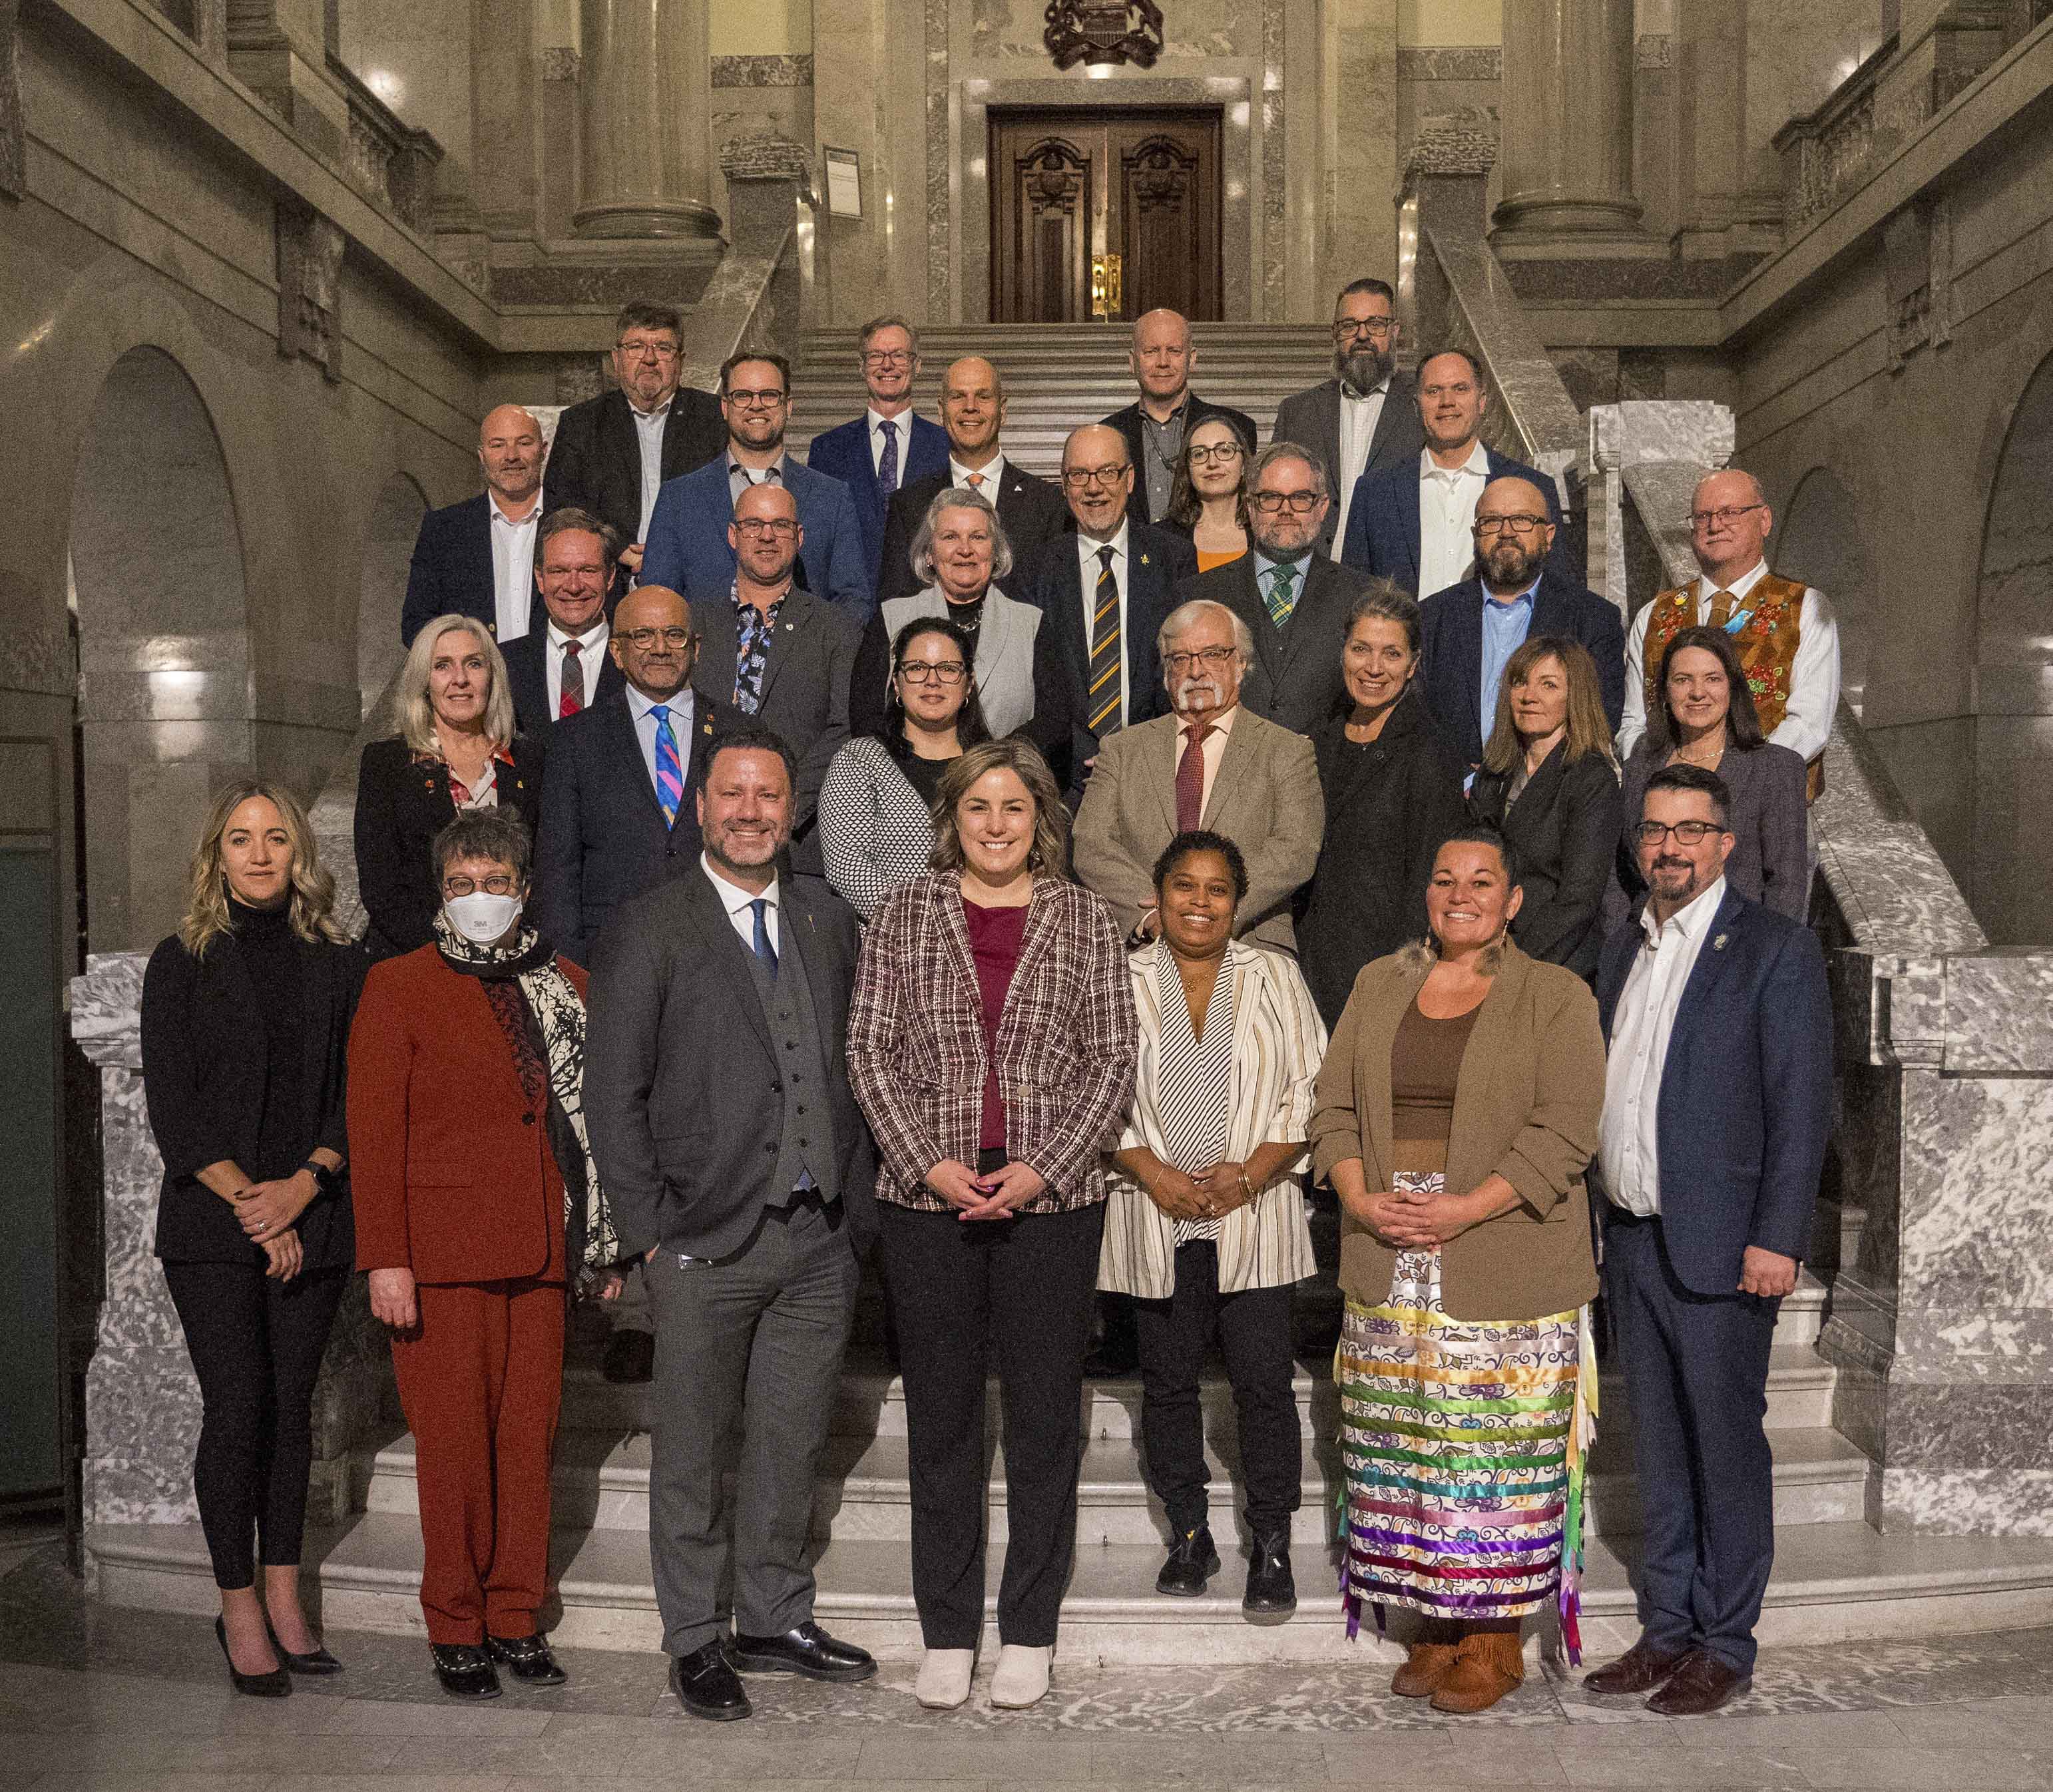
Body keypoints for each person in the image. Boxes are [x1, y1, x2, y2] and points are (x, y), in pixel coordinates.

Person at [584, 728, 877, 1723]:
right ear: (702, 809)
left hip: (816, 1236)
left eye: (768, 794)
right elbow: (610, 1097)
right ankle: (696, 1638)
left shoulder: (828, 918)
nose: (751, 811)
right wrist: (647, 1234)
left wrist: (855, 1203)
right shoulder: (652, 925)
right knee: (696, 1450)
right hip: (702, 1241)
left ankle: (771, 1614)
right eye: (732, 795)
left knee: (792, 1442)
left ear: (792, 809)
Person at [845, 738, 1136, 1713]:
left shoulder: (1085, 919)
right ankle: (946, 1633)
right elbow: (869, 1053)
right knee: (943, 1421)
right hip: (926, 1206)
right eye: (979, 809)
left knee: (1047, 1420)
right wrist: (926, 1162)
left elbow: (1111, 1061)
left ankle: (1031, 1630)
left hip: (1050, 1208)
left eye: (1015, 808)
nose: (997, 825)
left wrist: (1044, 1169)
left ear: (1042, 820)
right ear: (953, 819)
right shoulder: (902, 914)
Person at [1311, 826, 1605, 1715]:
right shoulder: (1376, 983)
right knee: (1410, 1449)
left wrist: (1462, 1208)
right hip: (1388, 1248)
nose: (1462, 893)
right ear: (1427, 895)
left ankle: (1494, 1643)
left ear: (1514, 901)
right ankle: (1436, 1631)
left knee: (1490, 1452)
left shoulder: (1556, 995)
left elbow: (1566, 1131)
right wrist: (1362, 1200)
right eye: (1446, 879)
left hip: (1501, 1248)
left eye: (1484, 880)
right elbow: (1331, 1107)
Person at [349, 807, 616, 1700]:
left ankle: (515, 1617)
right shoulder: (397, 985)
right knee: (454, 1449)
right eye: (462, 886)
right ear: (439, 893)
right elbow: (374, 1131)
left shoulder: (567, 984)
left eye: (495, 883)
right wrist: (386, 1256)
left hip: (541, 1250)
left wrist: (600, 1240)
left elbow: (592, 1126)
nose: (479, 899)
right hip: (440, 1256)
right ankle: (454, 1623)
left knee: (526, 1445)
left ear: (525, 890)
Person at [1587, 765, 1832, 1715]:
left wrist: (1779, 1238)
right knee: (1658, 1444)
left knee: (1724, 1445)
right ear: (1639, 843)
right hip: (1637, 1242)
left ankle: (1726, 1640)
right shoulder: (1623, 950)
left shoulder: (1773, 948)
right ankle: (1670, 1629)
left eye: (1692, 829)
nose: (1671, 846)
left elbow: (1799, 1106)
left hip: (1728, 1247)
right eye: (1656, 830)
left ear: (1726, 843)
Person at [142, 780, 365, 1697]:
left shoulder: (340, 965)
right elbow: (176, 1110)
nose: (261, 853)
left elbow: (358, 1096)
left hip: (313, 1214)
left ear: (299, 853)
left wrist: (302, 1189)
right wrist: (254, 1207)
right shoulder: (181, 960)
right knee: (238, 1410)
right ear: (216, 855)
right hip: (212, 1225)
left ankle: (284, 1596)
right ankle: (236, 1604)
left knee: (291, 1415)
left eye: (277, 837)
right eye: (242, 838)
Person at [1100, 831, 1326, 1616]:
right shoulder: (1117, 978)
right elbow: (1089, 1093)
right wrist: (1154, 1172)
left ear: (1239, 900)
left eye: (1217, 889)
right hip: (1152, 1210)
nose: (1200, 902)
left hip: (1253, 1212)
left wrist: (1250, 1174)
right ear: (1157, 896)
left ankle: (1271, 1542)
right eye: (1184, 886)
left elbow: (1313, 1091)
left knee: (1265, 1385)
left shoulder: (1277, 977)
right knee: (1167, 1386)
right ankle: (1189, 1534)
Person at [531, 582, 736, 1386]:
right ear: (614, 650)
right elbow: (559, 868)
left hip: (711, 969)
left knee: (702, 1127)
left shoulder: (733, 733)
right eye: (641, 636)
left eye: (673, 636)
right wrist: (577, 973)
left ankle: (709, 1293)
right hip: (609, 972)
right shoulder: (575, 743)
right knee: (625, 1133)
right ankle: (635, 1314)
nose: (658, 648)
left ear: (695, 646)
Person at [1072, 598, 1323, 955]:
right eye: (1181, 659)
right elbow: (1091, 843)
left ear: (1241, 664)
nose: (1196, 671)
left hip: (1249, 946)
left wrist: (1214, 913)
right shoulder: (1121, 749)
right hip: (1141, 948)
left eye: (1213, 655)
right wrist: (1156, 918)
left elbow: (1296, 849)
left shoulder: (1287, 751)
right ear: (1165, 673)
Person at [1297, 586, 1469, 1029]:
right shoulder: (1319, 739)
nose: (1373, 668)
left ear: (1413, 665)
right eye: (1361, 650)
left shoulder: (1429, 751)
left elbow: (1432, 878)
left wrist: (1401, 979)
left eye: (1391, 654)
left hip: (1380, 971)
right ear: (1343, 654)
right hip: (1308, 961)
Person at [1618, 469, 1841, 799]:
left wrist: (1727, 777)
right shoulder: (1654, 614)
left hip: (1766, 807)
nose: (1715, 525)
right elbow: (1634, 721)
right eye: (1703, 516)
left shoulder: (1804, 607)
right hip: (1668, 808)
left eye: (1730, 513)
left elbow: (1809, 724)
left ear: (1764, 520)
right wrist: (1666, 777)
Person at [685, 481, 859, 875]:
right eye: (753, 525)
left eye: (780, 525)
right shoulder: (693, 623)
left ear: (799, 538)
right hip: (699, 836)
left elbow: (844, 727)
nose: (766, 536)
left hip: (798, 844)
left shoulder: (837, 628)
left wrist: (787, 801)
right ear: (733, 535)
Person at [1019, 423, 1197, 800]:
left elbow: (1184, 670)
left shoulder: (1173, 559)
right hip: (1062, 785)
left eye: (1107, 472)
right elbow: (1032, 685)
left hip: (1154, 773)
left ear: (1130, 479)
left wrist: (1138, 751)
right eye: (1079, 475)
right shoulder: (1037, 567)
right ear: (1065, 485)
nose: (1094, 487)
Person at [355, 616, 544, 959]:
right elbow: (381, 888)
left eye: (474, 664)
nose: (460, 680)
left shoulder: (530, 760)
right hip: (418, 957)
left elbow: (545, 870)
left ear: (492, 676)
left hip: (515, 955)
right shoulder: (387, 763)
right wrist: (453, 950)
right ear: (423, 682)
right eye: (442, 666)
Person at [639, 350, 873, 616]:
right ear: (725, 408)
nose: (756, 405)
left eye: (769, 395)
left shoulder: (832, 497)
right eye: (743, 396)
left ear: (788, 407)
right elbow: (656, 601)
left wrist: (820, 653)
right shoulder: (678, 499)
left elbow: (854, 599)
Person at [1417, 474, 1626, 772]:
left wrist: (1522, 783)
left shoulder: (1593, 618)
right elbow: (1417, 717)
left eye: (1522, 520)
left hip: (1548, 798)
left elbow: (1599, 720)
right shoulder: (1432, 617)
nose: (1506, 532)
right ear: (1476, 534)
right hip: (1450, 798)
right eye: (1491, 521)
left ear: (1549, 535)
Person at [1606, 625, 1809, 930]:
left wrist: (1765, 963)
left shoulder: (1775, 768)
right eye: (1682, 680)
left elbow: (1786, 885)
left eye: (1712, 679)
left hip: (1737, 950)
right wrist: (1618, 949)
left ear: (1732, 688)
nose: (1697, 692)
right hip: (1650, 942)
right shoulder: (1641, 765)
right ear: (1665, 692)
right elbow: (1621, 874)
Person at [1338, 349, 1570, 596]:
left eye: (1460, 389)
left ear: (1482, 402)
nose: (1447, 401)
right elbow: (1352, 593)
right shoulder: (1375, 492)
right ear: (1417, 406)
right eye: (1434, 391)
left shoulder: (1533, 487)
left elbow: (1559, 591)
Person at [1178, 441, 1369, 738]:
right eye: (1271, 498)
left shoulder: (1361, 596)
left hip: (1327, 775)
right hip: (1226, 774)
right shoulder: (1199, 595)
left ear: (1322, 508)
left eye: (1301, 498)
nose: (1286, 510)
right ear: (1250, 506)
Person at [1468, 637, 1622, 984]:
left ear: (1574, 697)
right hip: (1481, 953)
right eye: (1520, 682)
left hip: (1553, 964)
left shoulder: (1591, 779)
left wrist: (1511, 965)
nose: (1528, 696)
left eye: (1548, 684)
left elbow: (1578, 900)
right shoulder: (1494, 774)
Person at [539, 300, 724, 578]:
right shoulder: (581, 423)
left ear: (681, 361)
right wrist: (616, 549)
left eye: (663, 348)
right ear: (616, 359)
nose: (649, 359)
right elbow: (561, 508)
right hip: (610, 579)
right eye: (636, 347)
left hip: (696, 578)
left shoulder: (716, 418)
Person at [821, 618, 992, 920]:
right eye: (916, 668)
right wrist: (925, 921)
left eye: (948, 669)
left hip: (987, 939)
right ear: (897, 683)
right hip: (893, 948)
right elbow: (846, 865)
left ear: (969, 682)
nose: (932, 681)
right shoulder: (860, 761)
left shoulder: (994, 767)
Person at [851, 487, 1041, 740]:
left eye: (978, 537)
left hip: (1005, 772)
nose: (965, 549)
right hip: (907, 774)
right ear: (929, 554)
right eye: (950, 537)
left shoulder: (1031, 624)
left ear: (995, 553)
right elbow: (865, 716)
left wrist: (992, 766)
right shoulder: (891, 618)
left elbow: (1052, 721)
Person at [876, 355, 1070, 602]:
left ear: (1003, 409)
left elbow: (1056, 603)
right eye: (958, 396)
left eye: (983, 396)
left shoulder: (1048, 503)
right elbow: (894, 606)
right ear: (940, 410)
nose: (971, 406)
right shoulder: (908, 504)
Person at [1271, 278, 1424, 557]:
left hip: (1391, 582)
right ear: (1335, 334)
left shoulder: (1422, 406)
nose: (1362, 335)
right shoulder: (1297, 412)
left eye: (1376, 324)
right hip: (1314, 578)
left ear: (1395, 332)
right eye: (1350, 326)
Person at [804, 315, 949, 584]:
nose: (887, 365)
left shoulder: (945, 445)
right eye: (876, 356)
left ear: (917, 365)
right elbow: (818, 542)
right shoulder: (827, 450)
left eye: (899, 355)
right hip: (851, 609)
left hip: (928, 603)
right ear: (861, 367)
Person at [401, 405, 548, 645]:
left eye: (523, 443)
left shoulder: (575, 522)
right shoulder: (443, 529)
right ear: (482, 456)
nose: (511, 456)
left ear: (543, 451)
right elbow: (416, 625)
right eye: (498, 445)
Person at [1101, 308, 1258, 525]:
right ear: (1132, 361)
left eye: (1174, 351)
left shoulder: (1237, 428)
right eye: (1151, 351)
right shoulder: (1108, 433)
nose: (1163, 362)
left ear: (1192, 359)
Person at [501, 508, 628, 734]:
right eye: (559, 571)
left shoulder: (636, 660)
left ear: (609, 577)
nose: (573, 586)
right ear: (540, 578)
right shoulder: (502, 662)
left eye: (587, 570)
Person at [1160, 415, 1252, 571]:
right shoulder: (1161, 538)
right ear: (1187, 469)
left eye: (1224, 450)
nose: (1212, 463)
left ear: (1243, 464)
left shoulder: (1265, 532)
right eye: (1199, 454)